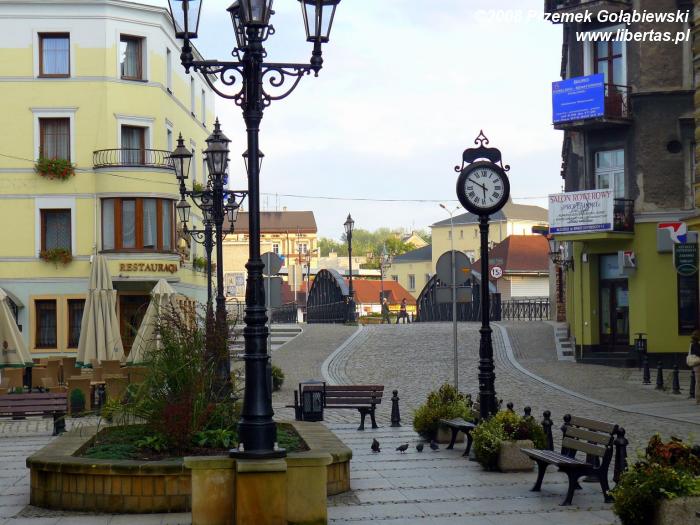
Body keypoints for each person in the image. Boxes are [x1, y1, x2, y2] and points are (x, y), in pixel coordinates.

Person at [687, 330, 700, 403]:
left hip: (695, 364)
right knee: (698, 382)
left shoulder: (692, 344)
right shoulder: (696, 344)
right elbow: (698, 353)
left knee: (697, 382)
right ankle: (698, 398)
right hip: (698, 364)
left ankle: (697, 398)